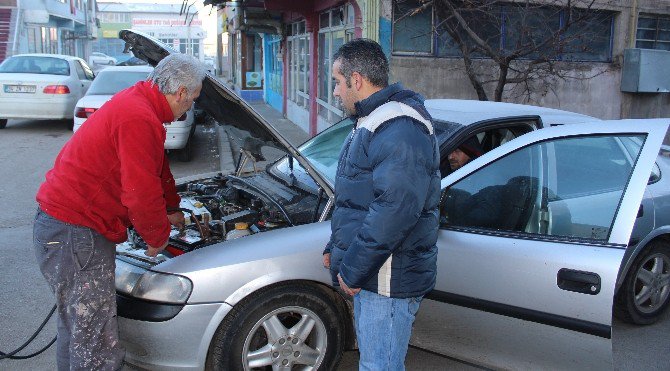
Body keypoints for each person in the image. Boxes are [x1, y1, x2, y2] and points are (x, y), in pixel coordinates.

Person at [33, 53, 206, 370]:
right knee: (95, 341)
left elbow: (157, 169)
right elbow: (139, 191)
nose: (190, 106)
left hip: (65, 227)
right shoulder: (138, 116)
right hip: (73, 232)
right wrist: (157, 236)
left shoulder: (140, 101)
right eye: (192, 99)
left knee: (77, 330)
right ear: (180, 92)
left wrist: (171, 207)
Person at [322, 39, 440, 370]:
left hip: (386, 277)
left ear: (356, 80)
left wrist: (354, 269)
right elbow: (357, 198)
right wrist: (337, 245)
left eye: (337, 81)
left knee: (379, 367)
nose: (334, 91)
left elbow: (395, 209)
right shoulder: (374, 120)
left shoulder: (398, 125)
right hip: (376, 273)